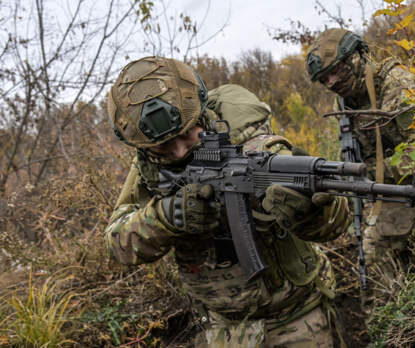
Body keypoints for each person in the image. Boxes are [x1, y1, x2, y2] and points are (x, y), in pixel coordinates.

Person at [105, 56, 350, 347]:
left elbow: (336, 224)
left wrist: (311, 211)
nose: (180, 151)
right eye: (165, 147)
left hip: (297, 318)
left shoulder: (253, 144)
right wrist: (165, 217)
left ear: (200, 112)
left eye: (187, 134)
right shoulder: (149, 166)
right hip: (222, 328)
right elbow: (117, 243)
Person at [305, 29, 415, 299]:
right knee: (375, 261)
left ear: (357, 57)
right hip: (388, 191)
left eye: (336, 71)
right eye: (324, 79)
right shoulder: (345, 100)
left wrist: (368, 175)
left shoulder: (396, 84)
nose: (331, 82)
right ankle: (396, 319)